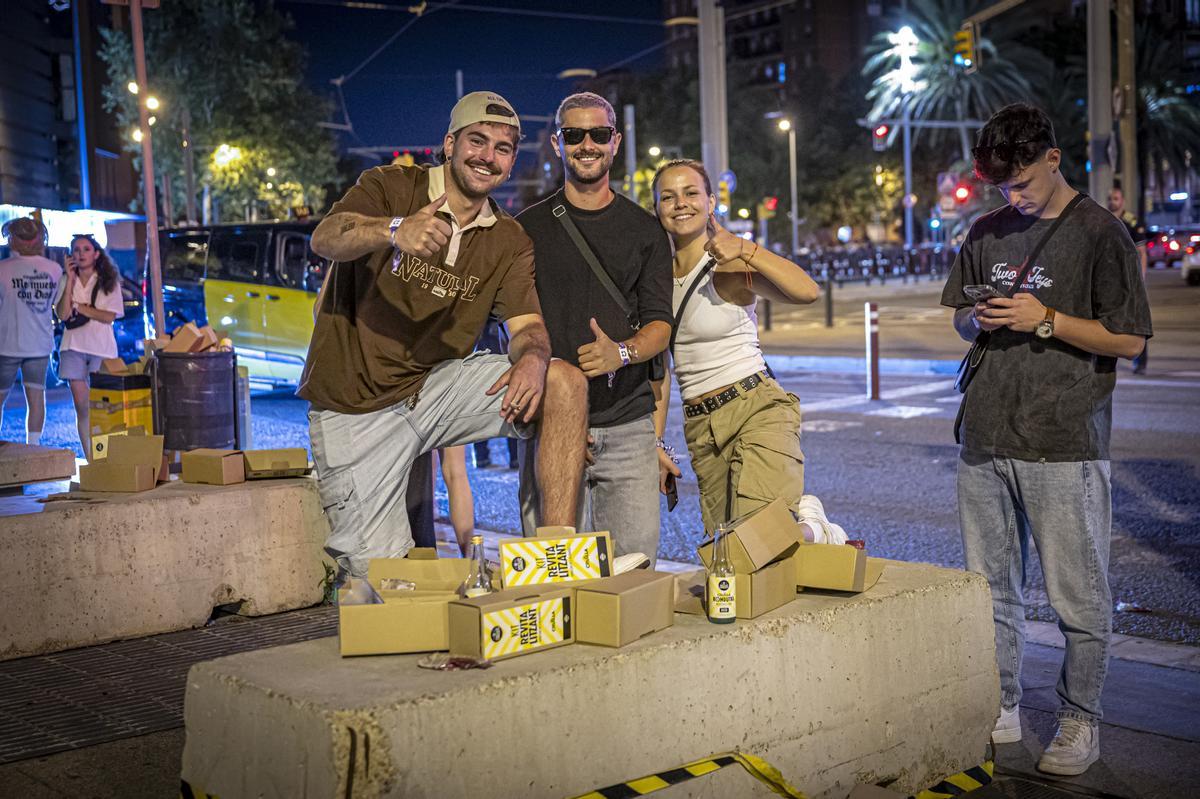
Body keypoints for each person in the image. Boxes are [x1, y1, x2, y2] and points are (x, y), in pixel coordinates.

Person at [942, 103, 1151, 776]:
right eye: (1004, 188)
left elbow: (1129, 339)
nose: (1017, 197)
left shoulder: (1101, 235)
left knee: (1078, 597)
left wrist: (1045, 319)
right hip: (985, 437)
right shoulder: (986, 230)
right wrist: (977, 318)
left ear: (1053, 158)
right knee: (991, 590)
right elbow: (960, 322)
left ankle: (1079, 718)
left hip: (1065, 442)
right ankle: (1000, 703)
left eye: (1025, 183)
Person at [300, 90, 588, 580]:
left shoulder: (509, 238)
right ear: (450, 143)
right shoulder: (392, 185)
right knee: (386, 587)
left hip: (432, 391)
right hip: (355, 408)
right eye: (478, 141)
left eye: (503, 148)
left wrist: (535, 358)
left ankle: (556, 562)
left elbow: (528, 328)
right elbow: (327, 236)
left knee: (564, 382)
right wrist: (394, 230)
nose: (488, 157)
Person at [515, 92, 672, 565]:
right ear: (557, 144)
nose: (588, 144)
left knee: (635, 575)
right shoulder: (526, 230)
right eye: (574, 135)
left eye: (599, 134)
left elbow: (660, 324)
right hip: (555, 432)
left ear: (615, 142)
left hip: (627, 427)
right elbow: (513, 327)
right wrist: (558, 414)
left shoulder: (645, 231)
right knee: (558, 576)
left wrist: (621, 353)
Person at [651, 159, 825, 537]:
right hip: (701, 428)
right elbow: (660, 368)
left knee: (757, 542)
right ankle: (805, 534)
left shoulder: (726, 267)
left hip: (755, 409)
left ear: (711, 202)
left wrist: (746, 248)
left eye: (691, 193)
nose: (681, 203)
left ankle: (814, 531)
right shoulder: (655, 279)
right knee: (725, 558)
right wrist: (657, 442)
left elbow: (808, 292)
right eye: (668, 197)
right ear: (657, 209)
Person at [55, 234, 124, 456]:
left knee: (102, 407)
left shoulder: (107, 280)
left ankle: (106, 454)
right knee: (82, 407)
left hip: (101, 348)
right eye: (76, 250)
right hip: (72, 346)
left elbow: (109, 316)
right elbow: (64, 314)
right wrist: (70, 282)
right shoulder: (66, 279)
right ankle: (92, 457)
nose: (80, 254)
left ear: (96, 254)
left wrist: (83, 309)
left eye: (86, 249)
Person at [0, 217, 62, 445]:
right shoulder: (54, 269)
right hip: (39, 344)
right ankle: (33, 447)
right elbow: (58, 306)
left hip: (7, 344)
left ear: (13, 240)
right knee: (36, 399)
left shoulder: (2, 269)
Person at [1107, 185, 1149, 374]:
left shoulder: (1131, 221)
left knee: (1136, 322)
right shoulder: (1103, 219)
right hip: (1109, 280)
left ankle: (1140, 363)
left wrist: (1141, 279)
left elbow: (1142, 253)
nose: (1112, 202)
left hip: (1130, 279)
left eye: (1116, 198)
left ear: (1122, 200)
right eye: (1110, 198)